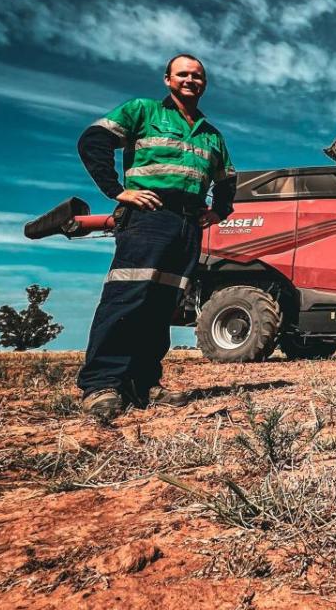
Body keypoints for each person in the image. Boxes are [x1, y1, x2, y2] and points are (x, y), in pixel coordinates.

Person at [75, 53, 236, 421]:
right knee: (128, 296)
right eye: (182, 74)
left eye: (197, 76)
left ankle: (144, 382)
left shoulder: (212, 134)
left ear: (204, 83)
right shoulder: (143, 112)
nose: (190, 80)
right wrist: (116, 190)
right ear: (167, 79)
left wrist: (219, 211)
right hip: (148, 217)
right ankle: (101, 384)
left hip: (187, 226)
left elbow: (227, 180)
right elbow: (93, 140)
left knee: (162, 305)